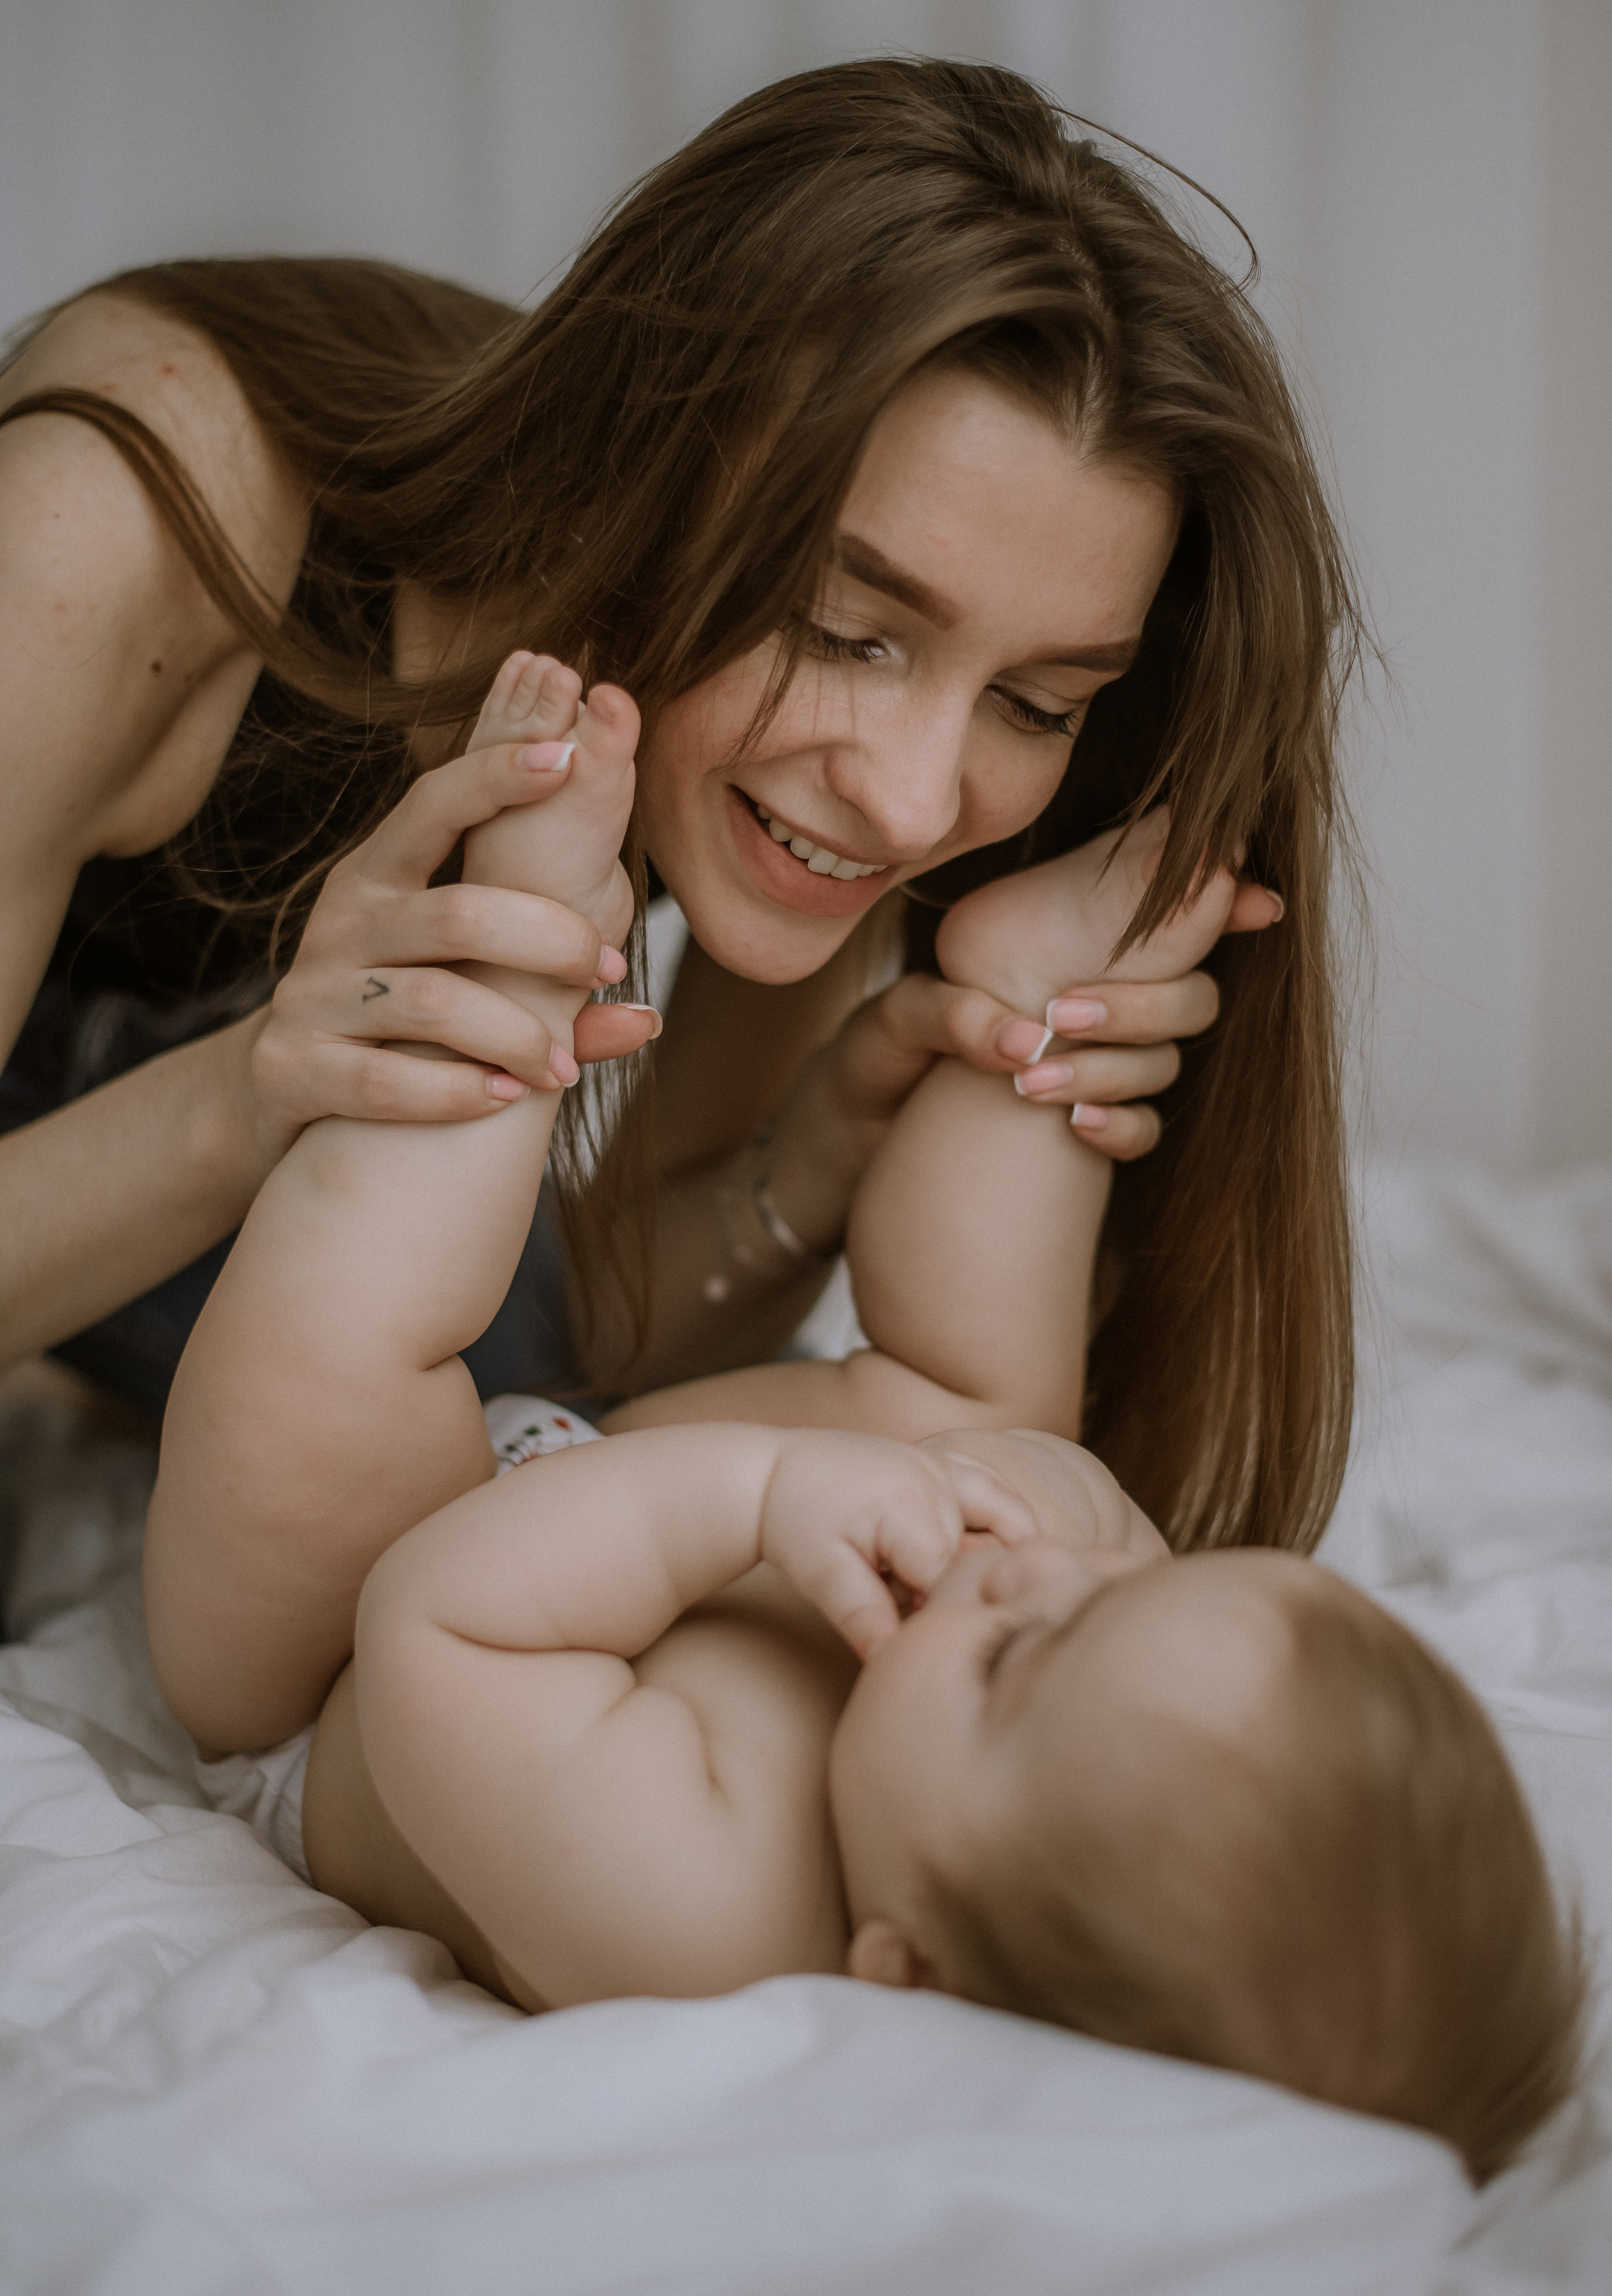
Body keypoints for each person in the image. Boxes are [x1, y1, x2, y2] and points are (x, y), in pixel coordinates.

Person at [142, 673, 1583, 2190]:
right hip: (632, 1503)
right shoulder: (1052, 1695)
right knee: (988, 1406)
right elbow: (1049, 1525)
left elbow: (441, 1619)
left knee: (340, 1367)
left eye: (1020, 1659)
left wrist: (765, 1495)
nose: (1043, 1578)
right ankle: (1027, 1010)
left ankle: (522, 945)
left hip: (355, 1648)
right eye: (1136, 1589)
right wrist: (1020, 1484)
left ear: (902, 1977)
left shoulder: (698, 1913)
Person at [3, 57, 1339, 1555]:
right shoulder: (114, 523)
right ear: (645, 469)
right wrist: (249, 1096)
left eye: (1035, 705)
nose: (906, 804)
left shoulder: (800, 776)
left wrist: (822, 1153)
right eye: (843, 629)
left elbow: (600, 1356)